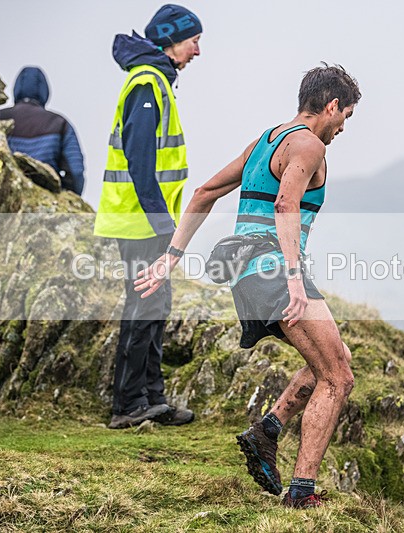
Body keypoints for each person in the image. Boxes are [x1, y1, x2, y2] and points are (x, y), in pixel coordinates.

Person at [135, 64, 361, 507]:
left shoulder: (265, 142)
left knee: (335, 359)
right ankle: (301, 494)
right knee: (338, 378)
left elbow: (203, 192)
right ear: (331, 106)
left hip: (247, 271)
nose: (342, 128)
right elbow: (285, 204)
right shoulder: (309, 144)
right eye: (346, 116)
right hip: (274, 270)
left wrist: (171, 257)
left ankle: (267, 431)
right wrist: (296, 281)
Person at [93, 4, 202, 430]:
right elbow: (139, 164)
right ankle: (128, 404)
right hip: (141, 222)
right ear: (173, 40)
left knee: (156, 305)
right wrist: (164, 225)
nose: (197, 51)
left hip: (146, 221)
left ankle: (151, 397)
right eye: (194, 41)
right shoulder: (146, 83)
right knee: (146, 305)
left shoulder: (155, 80)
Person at [0, 67, 86, 195]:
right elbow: (76, 171)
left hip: (2, 193)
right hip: (46, 196)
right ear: (45, 92)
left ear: (16, 89)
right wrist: (65, 195)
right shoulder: (60, 123)